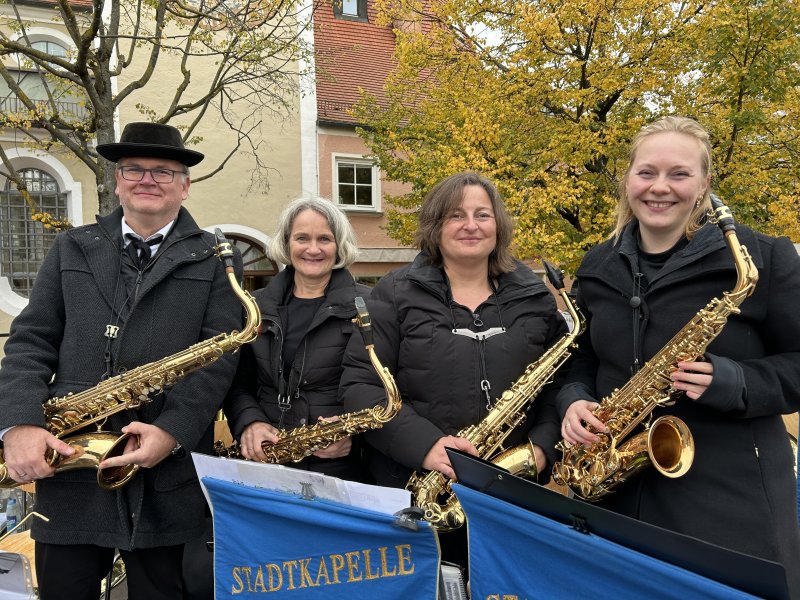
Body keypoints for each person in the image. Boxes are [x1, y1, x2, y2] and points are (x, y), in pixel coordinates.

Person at [557, 116, 800, 595]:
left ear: (705, 183)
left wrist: (735, 382)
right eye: (646, 172)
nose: (659, 187)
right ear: (628, 179)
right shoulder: (597, 263)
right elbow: (582, 355)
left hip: (730, 505)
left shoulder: (764, 258)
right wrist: (574, 398)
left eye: (679, 174)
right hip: (616, 495)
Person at [0, 122, 243, 600]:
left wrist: (172, 431)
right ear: (117, 180)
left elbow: (219, 359)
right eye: (134, 169)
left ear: (185, 186)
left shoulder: (215, 257)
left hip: (164, 477)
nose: (147, 179)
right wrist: (20, 425)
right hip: (70, 469)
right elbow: (30, 341)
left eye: (163, 171)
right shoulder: (72, 246)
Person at [339, 171, 568, 568]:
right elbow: (362, 386)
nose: (470, 225)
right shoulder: (393, 293)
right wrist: (426, 446)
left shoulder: (534, 296)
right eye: (456, 215)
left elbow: (559, 382)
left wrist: (542, 447)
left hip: (514, 493)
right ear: (435, 225)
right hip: (418, 495)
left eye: (483, 214)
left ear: (498, 225)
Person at [223, 197, 372, 481]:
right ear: (286, 243)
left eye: (324, 239)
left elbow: (384, 389)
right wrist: (250, 422)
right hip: (266, 462)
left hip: (340, 469)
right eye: (302, 238)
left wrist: (354, 435)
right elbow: (237, 382)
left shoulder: (370, 306)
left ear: (339, 245)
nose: (313, 249)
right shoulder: (254, 307)